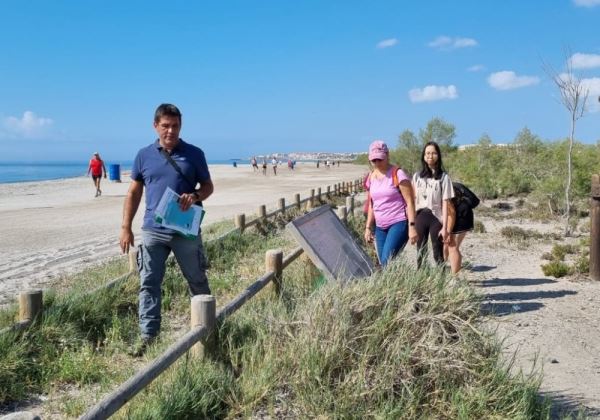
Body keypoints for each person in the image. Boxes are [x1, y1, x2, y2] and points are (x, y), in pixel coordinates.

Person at [119, 103, 214, 356]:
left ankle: (208, 329)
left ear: (180, 126)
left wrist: (194, 196)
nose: (170, 131)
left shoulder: (194, 153)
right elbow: (134, 192)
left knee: (197, 279)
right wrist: (125, 227)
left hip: (185, 230)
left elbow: (207, 187)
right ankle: (148, 336)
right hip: (153, 229)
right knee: (149, 282)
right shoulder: (143, 155)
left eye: (175, 126)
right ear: (155, 126)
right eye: (165, 126)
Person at [363, 141, 417, 267]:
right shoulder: (371, 177)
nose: (377, 163)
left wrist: (412, 227)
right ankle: (397, 284)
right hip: (380, 227)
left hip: (398, 222)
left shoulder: (397, 174)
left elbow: (410, 201)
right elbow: (372, 205)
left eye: (380, 159)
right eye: (374, 160)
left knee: (387, 262)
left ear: (387, 155)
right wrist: (368, 228)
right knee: (384, 263)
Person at [412, 141, 454, 269]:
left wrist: (445, 228)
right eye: (427, 153)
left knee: (437, 251)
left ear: (438, 156)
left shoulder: (443, 178)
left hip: (436, 217)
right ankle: (422, 279)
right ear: (424, 156)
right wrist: (411, 224)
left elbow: (446, 203)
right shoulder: (417, 176)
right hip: (420, 216)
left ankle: (441, 280)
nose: (430, 156)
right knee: (420, 250)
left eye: (434, 153)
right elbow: (413, 200)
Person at [444, 182, 479, 274]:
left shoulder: (442, 187)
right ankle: (449, 268)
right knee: (453, 246)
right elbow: (475, 201)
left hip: (457, 217)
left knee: (451, 246)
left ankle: (449, 271)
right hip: (465, 217)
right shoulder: (457, 185)